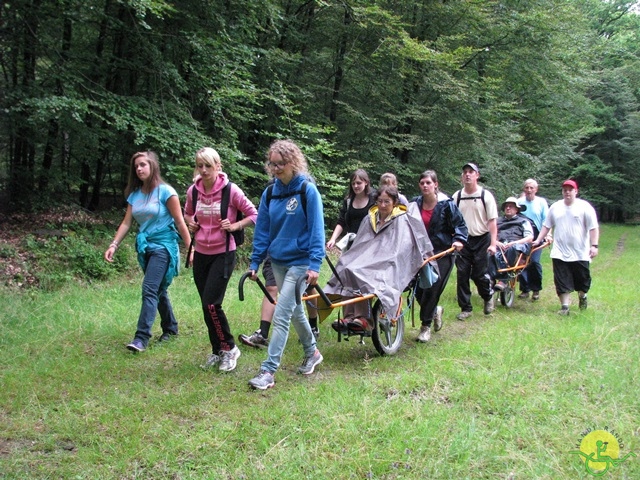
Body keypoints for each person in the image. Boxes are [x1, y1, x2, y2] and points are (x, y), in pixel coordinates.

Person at [247, 139, 325, 390]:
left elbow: (317, 230)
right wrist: (255, 260)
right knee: (294, 312)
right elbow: (262, 230)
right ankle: (312, 352)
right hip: (278, 261)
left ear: (293, 162)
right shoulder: (270, 193)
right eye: (272, 164)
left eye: (281, 164)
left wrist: (315, 264)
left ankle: (268, 371)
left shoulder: (307, 190)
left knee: (281, 313)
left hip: (301, 263)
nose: (276, 168)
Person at [104, 151, 191, 352]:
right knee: (158, 289)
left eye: (143, 164)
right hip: (145, 247)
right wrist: (113, 245)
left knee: (149, 289)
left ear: (153, 166)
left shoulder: (166, 192)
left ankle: (141, 338)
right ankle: (171, 328)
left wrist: (191, 249)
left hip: (164, 247)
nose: (139, 169)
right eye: (136, 166)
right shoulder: (135, 195)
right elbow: (127, 223)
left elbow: (180, 221)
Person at [183, 147, 258, 372]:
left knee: (212, 303)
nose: (204, 170)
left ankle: (229, 348)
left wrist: (234, 225)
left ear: (218, 166)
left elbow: (255, 214)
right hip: (202, 253)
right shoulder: (193, 192)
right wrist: (191, 222)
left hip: (223, 253)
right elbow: (187, 213)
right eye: (200, 165)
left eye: (208, 165)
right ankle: (217, 351)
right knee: (207, 306)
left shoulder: (230, 191)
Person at [324, 185, 434, 333]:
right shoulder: (369, 219)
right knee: (346, 268)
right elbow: (360, 244)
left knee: (360, 273)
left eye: (387, 201)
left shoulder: (402, 219)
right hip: (369, 259)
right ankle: (349, 317)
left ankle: (365, 320)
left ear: (394, 201)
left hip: (388, 262)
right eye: (380, 201)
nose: (382, 205)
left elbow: (404, 246)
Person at [408, 170, 467, 342]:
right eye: (422, 183)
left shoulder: (447, 204)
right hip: (420, 253)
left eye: (428, 182)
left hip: (442, 253)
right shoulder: (415, 204)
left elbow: (460, 226)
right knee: (417, 289)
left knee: (432, 288)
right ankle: (434, 312)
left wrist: (459, 240)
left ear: (436, 184)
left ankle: (425, 327)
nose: (425, 185)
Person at [533, 179, 599, 316]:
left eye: (570, 190)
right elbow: (547, 225)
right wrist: (538, 240)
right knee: (561, 280)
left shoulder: (585, 207)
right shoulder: (556, 207)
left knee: (582, 281)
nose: (567, 192)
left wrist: (594, 245)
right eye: (565, 190)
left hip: (580, 252)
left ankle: (582, 296)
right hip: (559, 252)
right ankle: (564, 307)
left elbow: (593, 228)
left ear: (576, 191)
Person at [452, 163, 498, 320]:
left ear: (477, 175)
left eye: (471, 172)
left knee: (479, 274)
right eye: (465, 172)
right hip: (463, 240)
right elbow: (452, 220)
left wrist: (493, 243)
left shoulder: (486, 196)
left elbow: (492, 221)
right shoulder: (457, 196)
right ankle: (466, 308)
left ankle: (488, 296)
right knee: (462, 273)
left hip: (482, 239)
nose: (467, 175)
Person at [490, 197, 534, 292]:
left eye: (511, 206)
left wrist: (514, 243)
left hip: (517, 246)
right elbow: (489, 234)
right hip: (499, 245)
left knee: (513, 248)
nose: (508, 208)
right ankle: (490, 278)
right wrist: (496, 242)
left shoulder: (524, 221)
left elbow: (529, 238)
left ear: (516, 209)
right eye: (506, 206)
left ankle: (503, 280)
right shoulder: (497, 221)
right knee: (489, 249)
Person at [326, 168, 376, 251]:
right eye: (353, 183)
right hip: (351, 244)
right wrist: (333, 239)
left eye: (359, 183)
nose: (355, 186)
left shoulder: (375, 199)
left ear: (366, 182)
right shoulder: (348, 201)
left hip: (369, 245)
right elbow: (342, 222)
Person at [517, 179, 549, 301]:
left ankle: (536, 289)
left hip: (537, 236)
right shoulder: (519, 202)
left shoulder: (541, 202)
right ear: (524, 189)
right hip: (522, 236)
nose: (529, 190)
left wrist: (547, 235)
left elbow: (547, 220)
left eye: (531, 188)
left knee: (534, 262)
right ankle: (525, 289)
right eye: (527, 187)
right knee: (522, 262)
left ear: (536, 189)